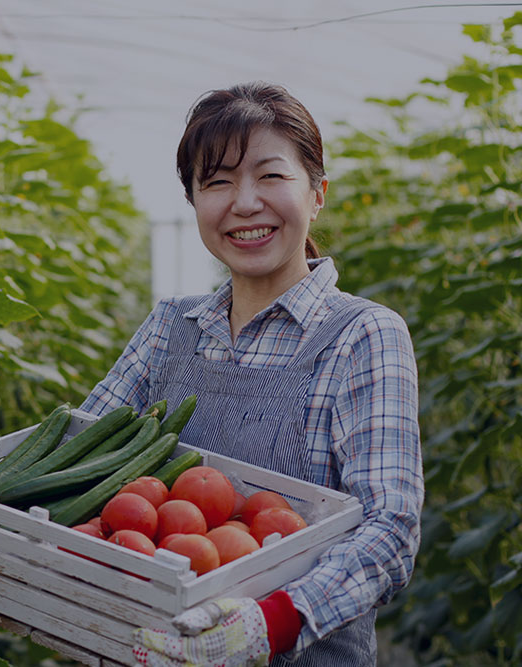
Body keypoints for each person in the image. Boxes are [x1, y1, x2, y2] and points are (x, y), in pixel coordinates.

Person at [80, 82, 424, 666]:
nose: (244, 203)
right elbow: (81, 450)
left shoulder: (363, 335)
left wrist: (273, 621)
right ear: (193, 202)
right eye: (216, 182)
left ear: (316, 193)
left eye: (270, 176)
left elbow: (390, 529)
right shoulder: (171, 326)